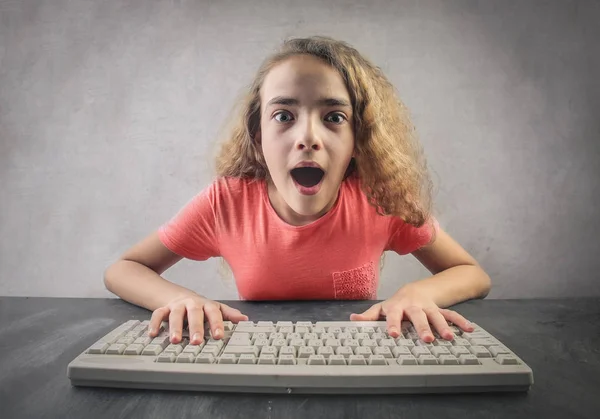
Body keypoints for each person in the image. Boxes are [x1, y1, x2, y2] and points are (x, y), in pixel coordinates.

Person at [104, 36, 491, 348]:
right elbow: (123, 270)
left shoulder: (378, 200)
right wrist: (178, 299)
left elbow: (471, 273)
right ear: (258, 137)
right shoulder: (226, 203)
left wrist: (418, 293)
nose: (308, 137)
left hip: (353, 362)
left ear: (359, 139)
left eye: (334, 117)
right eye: (284, 116)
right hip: (257, 362)